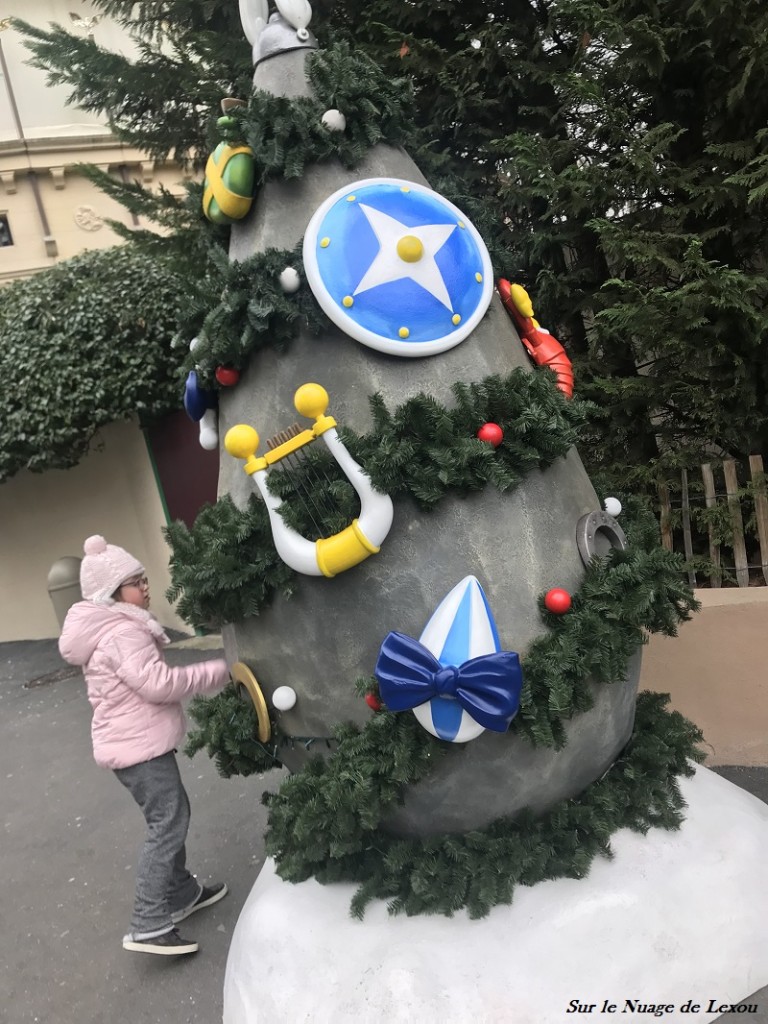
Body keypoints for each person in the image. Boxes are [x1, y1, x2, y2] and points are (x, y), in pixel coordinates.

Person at [59, 534, 232, 957]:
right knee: (168, 822)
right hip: (138, 749)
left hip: (134, 745)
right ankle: (149, 922)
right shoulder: (122, 633)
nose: (146, 587)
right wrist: (218, 670)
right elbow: (158, 684)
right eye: (135, 582)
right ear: (112, 593)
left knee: (169, 815)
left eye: (143, 578)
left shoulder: (113, 628)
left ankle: (180, 893)